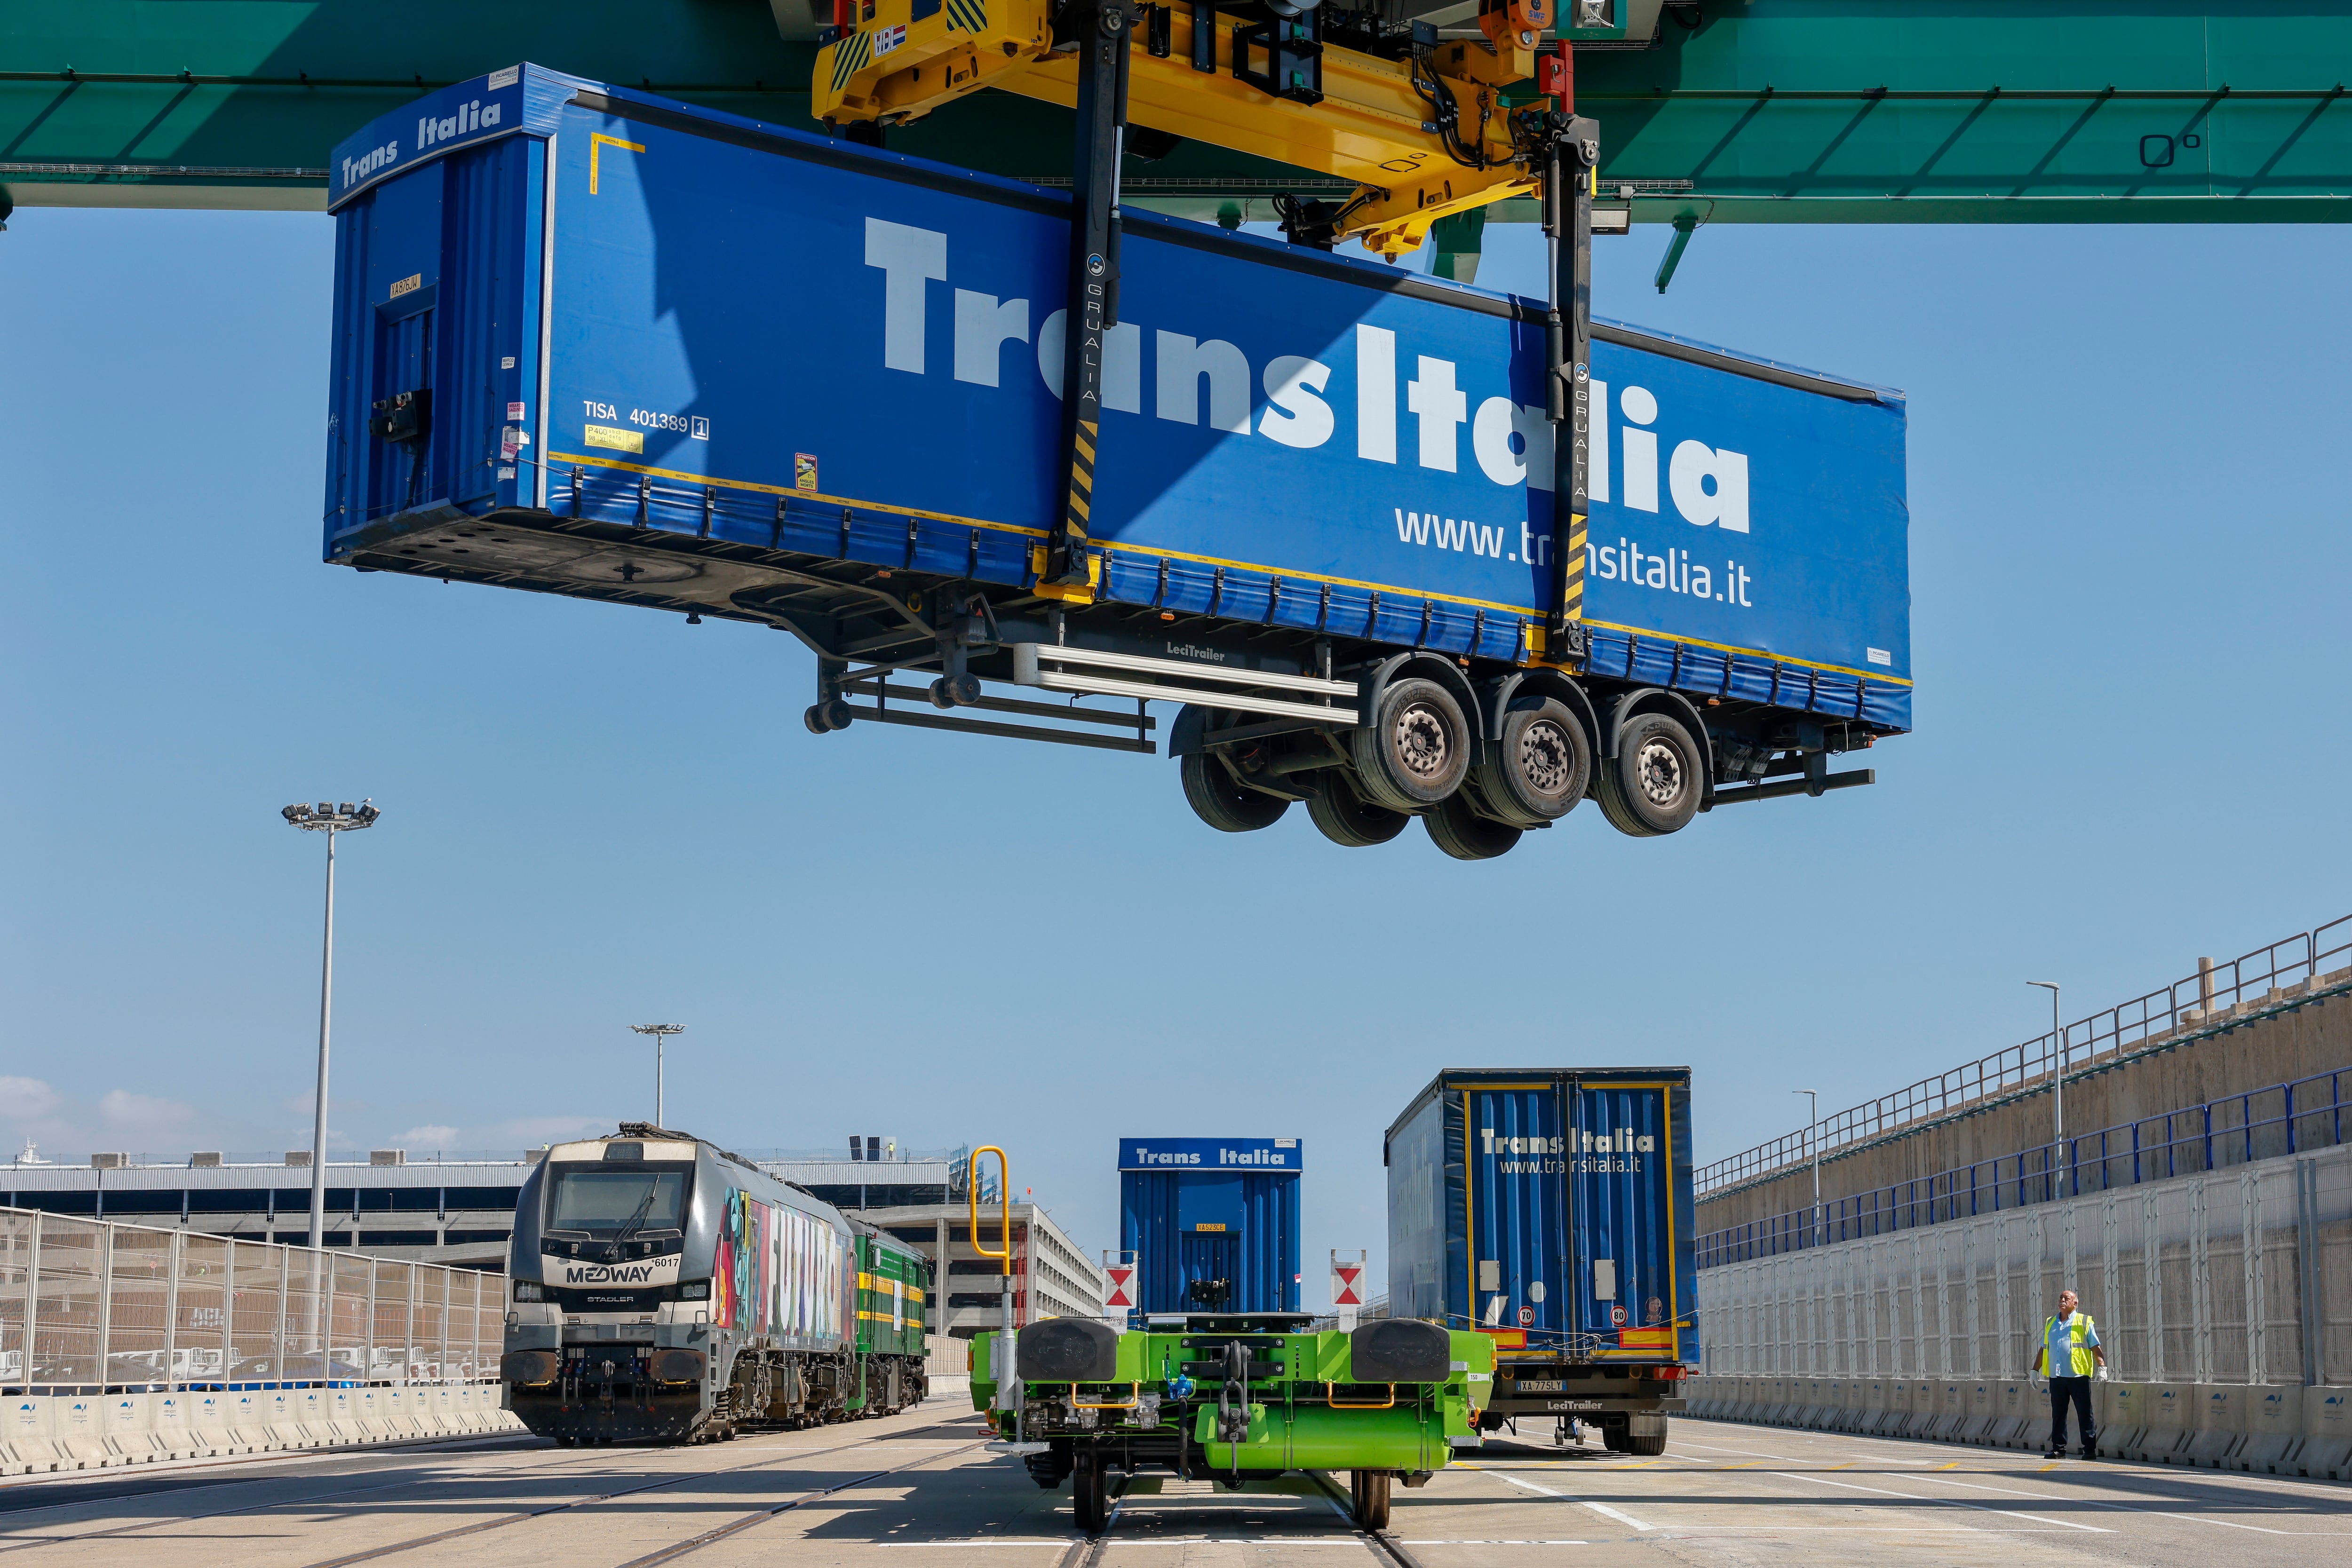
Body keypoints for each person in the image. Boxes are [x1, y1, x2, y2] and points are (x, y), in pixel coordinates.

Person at [2031, 1288, 2106, 1458]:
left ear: (2075, 1303)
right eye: (2061, 1297)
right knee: (2058, 1413)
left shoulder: (2084, 1321)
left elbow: (2095, 1346)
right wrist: (2035, 1370)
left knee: (2085, 1413)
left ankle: (2089, 1450)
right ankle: (2058, 1448)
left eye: (2067, 1298)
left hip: (2078, 1376)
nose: (2063, 1300)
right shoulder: (2051, 1322)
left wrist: (2102, 1367)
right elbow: (2044, 1349)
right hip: (2057, 1377)